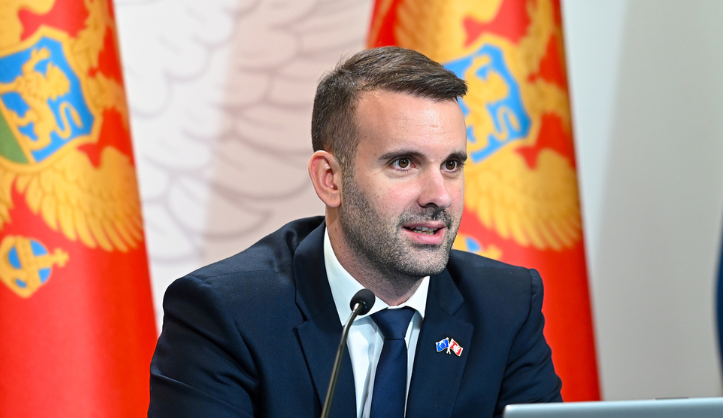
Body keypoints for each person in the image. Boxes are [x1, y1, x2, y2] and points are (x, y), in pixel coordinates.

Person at [149, 46, 562, 418]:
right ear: (330, 179)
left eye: (451, 165)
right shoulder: (227, 314)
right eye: (403, 163)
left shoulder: (505, 307)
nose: (439, 195)